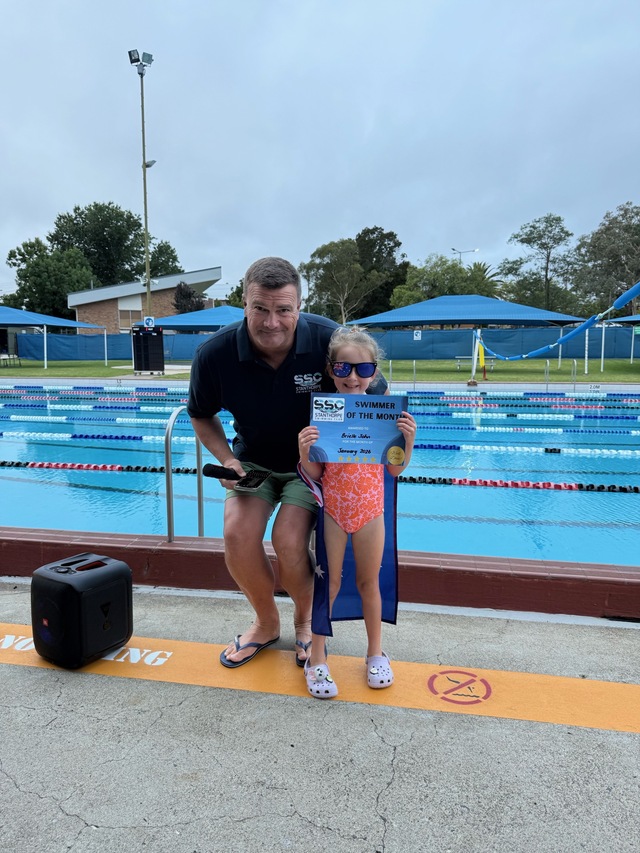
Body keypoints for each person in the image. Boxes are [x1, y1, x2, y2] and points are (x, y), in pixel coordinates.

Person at [187, 257, 386, 668]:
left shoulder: (328, 341)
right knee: (237, 533)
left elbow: (375, 394)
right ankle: (265, 622)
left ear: (299, 306)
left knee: (289, 539)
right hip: (253, 463)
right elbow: (201, 415)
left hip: (310, 468)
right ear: (244, 303)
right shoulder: (215, 353)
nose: (272, 322)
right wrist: (227, 459)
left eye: (283, 309)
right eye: (260, 308)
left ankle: (305, 622)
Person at [297, 326, 416, 699]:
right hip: (333, 511)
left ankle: (376, 653)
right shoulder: (324, 413)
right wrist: (304, 450)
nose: (353, 377)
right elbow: (315, 472)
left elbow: (394, 469)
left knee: (369, 583)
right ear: (331, 370)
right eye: (343, 368)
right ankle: (316, 658)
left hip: (370, 512)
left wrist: (408, 441)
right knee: (328, 585)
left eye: (363, 369)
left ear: (374, 372)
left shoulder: (385, 415)